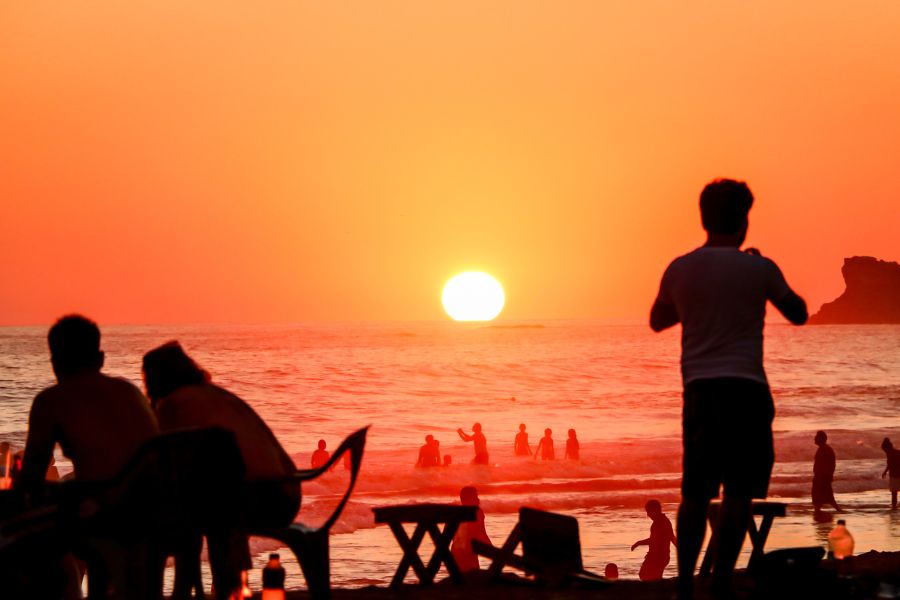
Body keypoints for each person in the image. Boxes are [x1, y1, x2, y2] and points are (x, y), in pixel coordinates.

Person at [649, 179, 808, 599]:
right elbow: (799, 313)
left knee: (695, 493)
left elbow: (658, 320)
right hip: (747, 390)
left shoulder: (680, 268)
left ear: (703, 219)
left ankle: (685, 586)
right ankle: (720, 583)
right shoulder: (759, 269)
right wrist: (758, 273)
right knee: (738, 493)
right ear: (743, 220)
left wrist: (696, 303)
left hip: (700, 390)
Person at [143, 341, 300, 599]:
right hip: (288, 494)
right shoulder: (217, 395)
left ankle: (202, 589)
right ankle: (221, 587)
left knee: (192, 514)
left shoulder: (173, 404)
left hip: (256, 500)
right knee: (211, 500)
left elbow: (161, 464)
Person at [21, 315, 159, 493]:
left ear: (55, 362)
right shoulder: (130, 390)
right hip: (154, 500)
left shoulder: (50, 401)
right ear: (101, 358)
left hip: (102, 502)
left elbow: (30, 480)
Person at [631, 500, 677, 581]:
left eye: (649, 512)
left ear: (655, 510)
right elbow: (672, 537)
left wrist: (638, 543)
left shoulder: (660, 522)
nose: (648, 514)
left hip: (658, 557)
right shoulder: (664, 521)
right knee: (649, 576)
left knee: (645, 575)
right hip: (661, 556)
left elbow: (654, 540)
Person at [450, 486, 492, 573]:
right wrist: (495, 554)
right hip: (468, 556)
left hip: (454, 557)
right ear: (468, 499)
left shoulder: (453, 513)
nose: (478, 500)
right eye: (475, 497)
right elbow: (482, 535)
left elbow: (447, 537)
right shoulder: (477, 513)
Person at [812, 431, 842, 517]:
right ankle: (818, 512)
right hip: (821, 477)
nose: (814, 439)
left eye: (816, 437)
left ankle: (819, 514)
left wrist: (825, 476)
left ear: (821, 439)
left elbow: (830, 464)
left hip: (822, 478)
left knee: (824, 497)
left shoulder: (825, 449)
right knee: (821, 498)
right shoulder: (823, 448)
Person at [881, 438, 900, 509]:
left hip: (894, 475)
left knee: (894, 492)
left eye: (884, 450)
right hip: (896, 474)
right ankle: (894, 505)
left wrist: (885, 472)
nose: (885, 452)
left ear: (887, 448)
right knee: (894, 492)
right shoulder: (897, 452)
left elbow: (890, 464)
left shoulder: (890, 453)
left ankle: (894, 506)